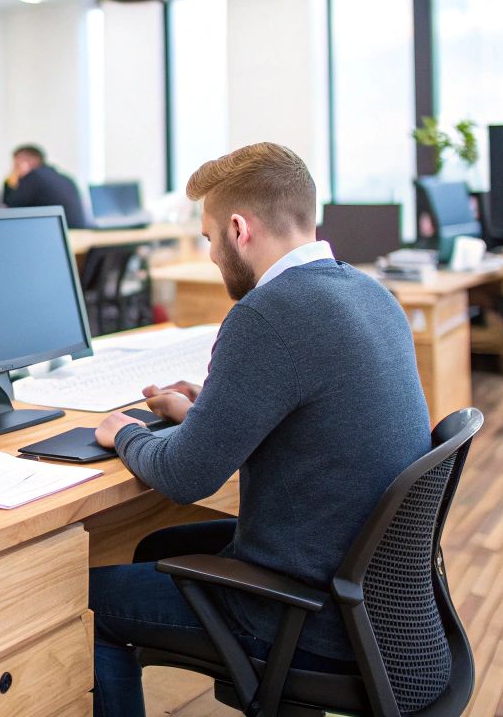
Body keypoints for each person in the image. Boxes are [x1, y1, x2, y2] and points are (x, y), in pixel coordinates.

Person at [87, 142, 436, 717]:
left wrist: (122, 431)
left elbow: (185, 476)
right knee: (155, 547)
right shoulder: (370, 293)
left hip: (307, 618)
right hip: (380, 612)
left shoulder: (267, 314)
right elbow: (316, 410)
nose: (211, 256)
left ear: (238, 229)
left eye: (207, 239)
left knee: (86, 603)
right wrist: (207, 410)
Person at [3, 143, 88, 228]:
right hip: (77, 231)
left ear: (24, 164)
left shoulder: (34, 177)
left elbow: (11, 207)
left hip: (61, 232)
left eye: (15, 165)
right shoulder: (62, 177)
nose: (13, 169)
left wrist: (11, 180)